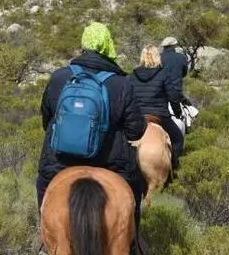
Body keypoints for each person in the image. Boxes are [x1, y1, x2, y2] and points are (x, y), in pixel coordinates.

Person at [37, 22, 147, 242]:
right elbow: (135, 131)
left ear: (84, 44)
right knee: (135, 185)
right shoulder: (122, 83)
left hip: (60, 162)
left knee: (42, 183)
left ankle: (45, 237)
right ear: (108, 46)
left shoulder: (59, 77)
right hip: (110, 164)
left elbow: (46, 119)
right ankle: (133, 242)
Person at [129, 45, 184, 169]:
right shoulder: (163, 74)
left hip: (138, 118)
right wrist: (178, 112)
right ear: (157, 57)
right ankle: (174, 169)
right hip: (159, 116)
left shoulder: (132, 76)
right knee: (178, 139)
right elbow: (173, 97)